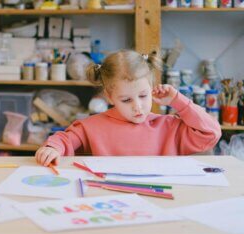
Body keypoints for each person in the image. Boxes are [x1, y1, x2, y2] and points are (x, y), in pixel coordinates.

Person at [35, 49, 221, 166]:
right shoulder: (91, 126)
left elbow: (211, 133)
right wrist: (53, 148)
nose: (137, 107)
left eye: (143, 96)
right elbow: (64, 139)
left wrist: (178, 101)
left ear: (152, 89)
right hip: (109, 202)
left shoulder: (169, 127)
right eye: (126, 100)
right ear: (109, 96)